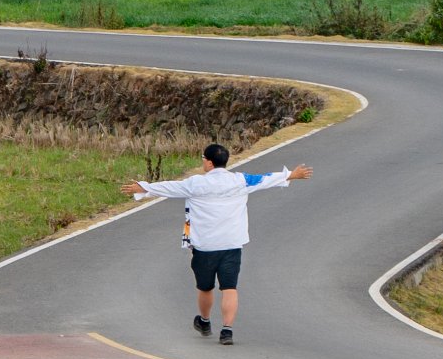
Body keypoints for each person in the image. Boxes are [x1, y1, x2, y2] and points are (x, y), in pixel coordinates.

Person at [131, 141, 312, 344]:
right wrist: (291, 175)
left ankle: (205, 321)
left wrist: (144, 187)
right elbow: (265, 179)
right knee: (229, 288)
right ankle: (227, 330)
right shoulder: (241, 180)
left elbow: (170, 188)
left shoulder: (196, 183)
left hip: (204, 246)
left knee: (206, 288)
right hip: (232, 244)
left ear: (208, 162)